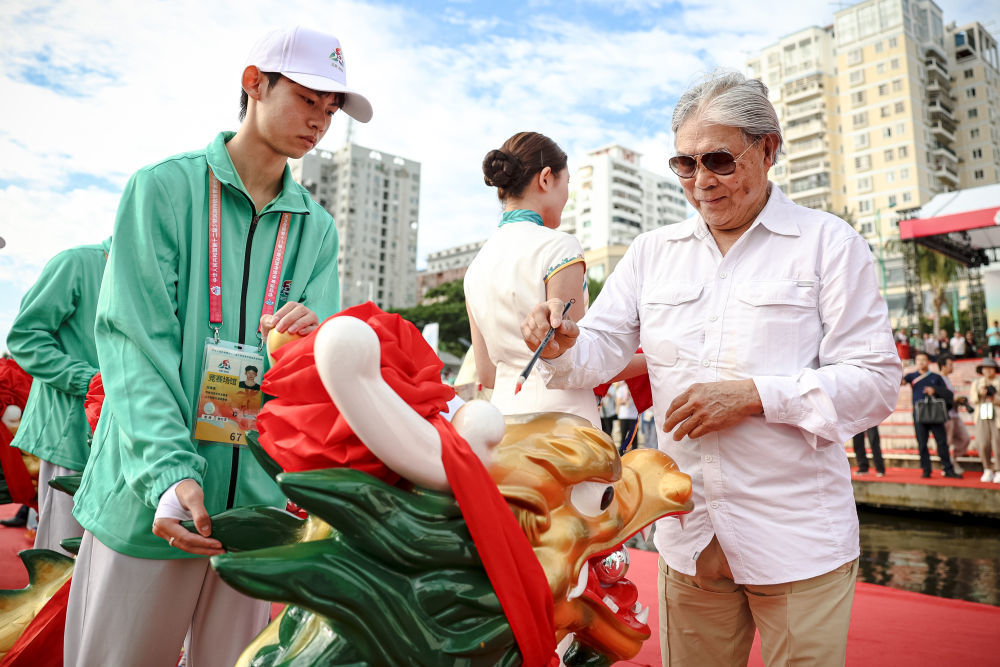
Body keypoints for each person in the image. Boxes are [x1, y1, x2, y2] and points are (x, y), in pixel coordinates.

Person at [520, 70, 901, 667]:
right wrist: (562, 340)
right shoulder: (652, 253)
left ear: (769, 148)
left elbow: (876, 383)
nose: (701, 182)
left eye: (719, 160)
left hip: (799, 541)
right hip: (689, 538)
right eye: (684, 164)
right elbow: (598, 349)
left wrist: (756, 395)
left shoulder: (830, 244)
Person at [63, 27, 372, 667]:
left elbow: (316, 378)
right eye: (309, 99)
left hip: (254, 519)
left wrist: (315, 340)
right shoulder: (162, 190)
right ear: (254, 82)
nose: (320, 121)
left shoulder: (316, 228)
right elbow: (132, 345)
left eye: (331, 109)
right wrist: (170, 472)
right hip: (151, 500)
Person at [464, 132, 643, 428]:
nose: (567, 196)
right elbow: (582, 362)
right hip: (562, 426)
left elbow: (486, 374)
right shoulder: (560, 247)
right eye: (567, 183)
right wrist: (658, 361)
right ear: (546, 178)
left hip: (501, 424)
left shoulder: (476, 266)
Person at [6, 237, 111, 555]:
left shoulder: (161, 275)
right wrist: (91, 382)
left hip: (127, 441)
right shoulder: (76, 262)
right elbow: (25, 338)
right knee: (62, 557)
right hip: (69, 438)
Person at [902, 351, 961, 479]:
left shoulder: (936, 377)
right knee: (922, 443)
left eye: (923, 360)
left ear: (929, 362)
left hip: (935, 413)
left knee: (942, 442)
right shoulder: (911, 376)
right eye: (918, 360)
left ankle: (948, 469)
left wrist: (934, 391)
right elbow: (900, 382)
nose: (921, 362)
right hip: (919, 413)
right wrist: (900, 367)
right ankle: (926, 470)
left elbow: (948, 394)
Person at [968, 357, 1000, 483]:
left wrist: (995, 398)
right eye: (985, 368)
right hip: (982, 415)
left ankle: (998, 470)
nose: (988, 371)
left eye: (990, 368)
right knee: (982, 443)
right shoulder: (977, 383)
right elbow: (973, 400)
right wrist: (981, 394)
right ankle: (987, 468)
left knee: (997, 444)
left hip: (997, 415)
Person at [938, 354, 969, 476]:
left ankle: (952, 461)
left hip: (955, 415)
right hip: (946, 416)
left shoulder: (947, 379)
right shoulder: (939, 380)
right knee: (948, 442)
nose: (952, 367)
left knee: (965, 439)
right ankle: (948, 465)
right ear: (943, 366)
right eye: (950, 365)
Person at [615, 381, 638, 448]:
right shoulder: (621, 389)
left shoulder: (635, 389)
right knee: (623, 436)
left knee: (634, 437)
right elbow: (618, 401)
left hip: (633, 416)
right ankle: (621, 453)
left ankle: (634, 452)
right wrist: (625, 399)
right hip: (623, 416)